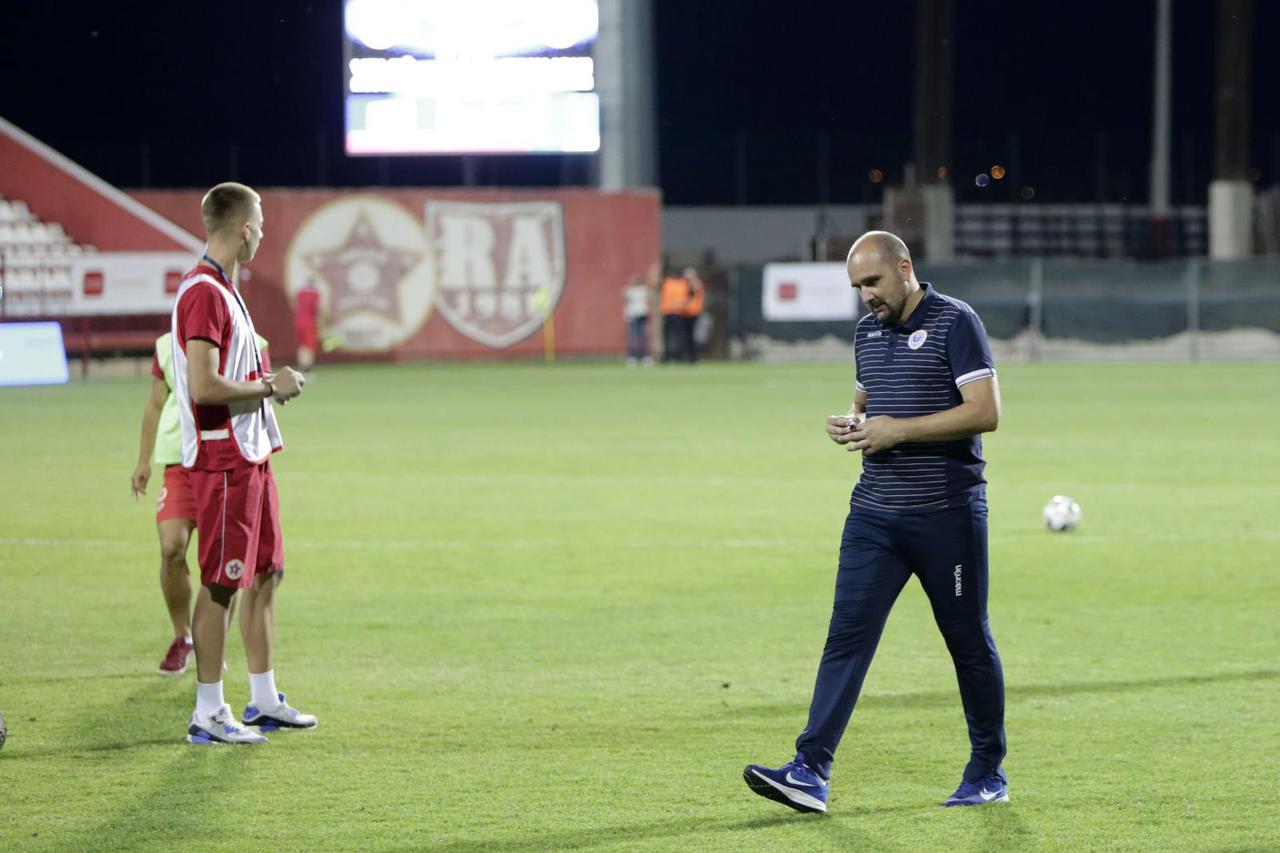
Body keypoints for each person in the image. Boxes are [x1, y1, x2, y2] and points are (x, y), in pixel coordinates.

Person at [743, 231, 1007, 812]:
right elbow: (868, 404)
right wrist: (851, 422)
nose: (866, 296)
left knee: (966, 641)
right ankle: (810, 769)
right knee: (846, 639)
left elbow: (985, 412)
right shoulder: (867, 333)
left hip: (947, 515)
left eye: (873, 281)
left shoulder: (955, 321)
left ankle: (987, 771)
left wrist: (899, 430)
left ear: (905, 267)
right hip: (874, 514)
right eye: (857, 286)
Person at [171, 181, 314, 745]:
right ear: (243, 228)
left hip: (251, 453)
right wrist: (268, 387)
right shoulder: (203, 291)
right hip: (223, 457)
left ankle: (262, 699)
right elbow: (204, 386)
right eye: (260, 221)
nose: (263, 231)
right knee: (222, 584)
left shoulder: (226, 288)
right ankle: (208, 710)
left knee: (266, 572)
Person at [130, 329, 270, 676]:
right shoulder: (166, 343)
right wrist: (144, 460)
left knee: (222, 564)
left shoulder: (253, 341)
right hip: (180, 462)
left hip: (225, 460)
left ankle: (213, 645)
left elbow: (263, 398)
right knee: (171, 548)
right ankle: (184, 637)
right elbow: (156, 403)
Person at [621, 273, 652, 366]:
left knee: (644, 337)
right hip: (632, 316)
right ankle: (632, 357)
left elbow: (649, 298)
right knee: (632, 338)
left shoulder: (644, 290)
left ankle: (645, 357)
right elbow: (623, 297)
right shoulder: (628, 290)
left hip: (642, 316)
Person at [293, 279, 323, 375]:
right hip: (309, 322)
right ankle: (307, 370)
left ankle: (301, 367)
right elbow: (318, 308)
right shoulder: (315, 294)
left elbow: (295, 306)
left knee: (302, 346)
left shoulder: (300, 293)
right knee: (308, 347)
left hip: (298, 321)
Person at [679, 266, 705, 363]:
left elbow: (694, 294)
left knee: (694, 336)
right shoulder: (684, 285)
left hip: (694, 313)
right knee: (686, 336)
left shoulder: (696, 284)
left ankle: (695, 357)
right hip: (685, 313)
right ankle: (687, 356)